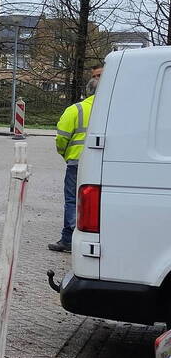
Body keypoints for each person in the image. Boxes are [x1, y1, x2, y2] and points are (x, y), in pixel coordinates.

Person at [49, 65, 102, 252]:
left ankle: (73, 236)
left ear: (87, 91)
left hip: (77, 163)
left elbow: (61, 139)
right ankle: (70, 239)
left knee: (72, 200)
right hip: (104, 164)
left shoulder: (75, 110)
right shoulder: (113, 110)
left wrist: (66, 155)